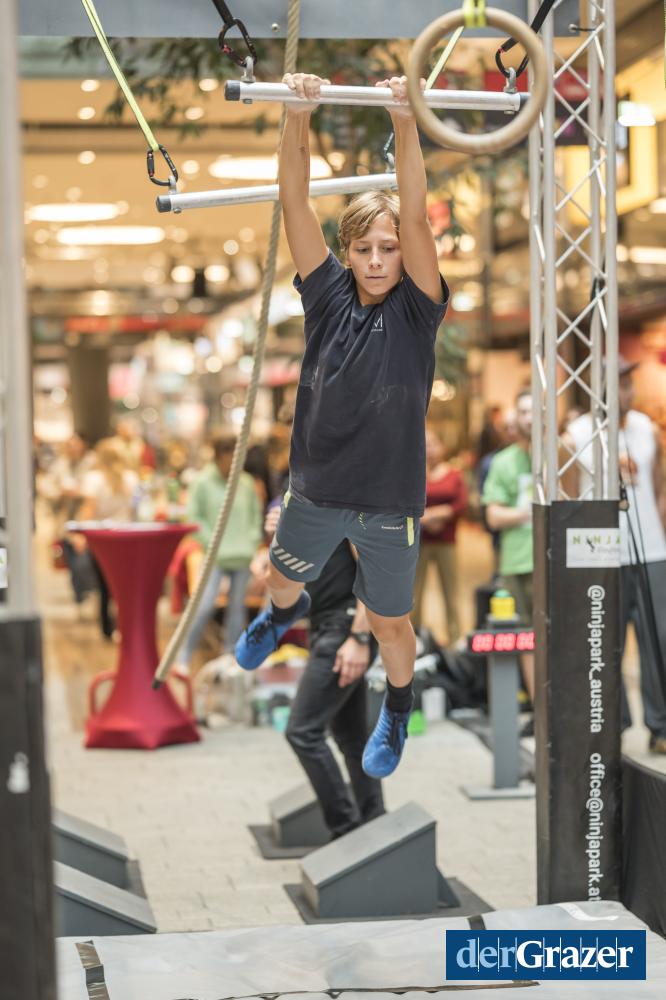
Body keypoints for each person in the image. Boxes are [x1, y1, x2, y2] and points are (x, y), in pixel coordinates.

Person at [234, 71, 449, 780]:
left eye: (388, 248)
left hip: (388, 501)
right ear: (346, 251)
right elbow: (293, 199)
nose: (378, 260)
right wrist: (298, 115)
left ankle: (397, 710)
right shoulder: (326, 295)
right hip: (318, 488)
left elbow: (416, 218)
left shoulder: (417, 310)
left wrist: (405, 119)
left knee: (389, 622)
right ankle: (277, 619)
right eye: (364, 250)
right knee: (281, 581)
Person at [258, 503, 385, 839]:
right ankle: (374, 824)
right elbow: (287, 581)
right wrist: (278, 538)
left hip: (345, 628)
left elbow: (374, 568)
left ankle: (346, 830)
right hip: (325, 625)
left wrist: (359, 637)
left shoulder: (348, 499)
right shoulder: (305, 496)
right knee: (351, 737)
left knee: (303, 732)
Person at [564, 357, 666, 754]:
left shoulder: (647, 428)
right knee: (604, 642)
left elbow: (659, 487)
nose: (626, 391)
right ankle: (612, 725)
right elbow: (570, 498)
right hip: (600, 553)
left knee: (658, 638)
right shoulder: (576, 435)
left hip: (652, 552)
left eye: (628, 383)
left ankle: (660, 727)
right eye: (618, 384)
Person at [174, 433, 262, 672]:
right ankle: (183, 655)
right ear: (218, 456)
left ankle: (229, 657)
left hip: (241, 554)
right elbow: (194, 517)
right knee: (203, 605)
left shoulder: (245, 482)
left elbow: (255, 515)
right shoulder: (202, 482)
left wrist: (252, 541)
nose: (232, 461)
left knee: (237, 609)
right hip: (215, 556)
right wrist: (210, 543)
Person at [482, 389, 535, 703]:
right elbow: (493, 516)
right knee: (527, 636)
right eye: (524, 411)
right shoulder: (503, 462)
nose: (530, 418)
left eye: (536, 410)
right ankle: (540, 708)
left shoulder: (564, 454)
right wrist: (530, 513)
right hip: (517, 561)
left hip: (558, 559)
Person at [78, 438, 139, 638]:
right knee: (125, 585)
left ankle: (107, 629)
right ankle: (125, 625)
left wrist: (80, 536)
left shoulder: (93, 479)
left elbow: (89, 509)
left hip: (101, 538)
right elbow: (134, 510)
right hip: (126, 537)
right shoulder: (131, 478)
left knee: (104, 585)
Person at [412, 425, 467, 645]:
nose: (430, 449)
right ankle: (414, 638)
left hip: (446, 541)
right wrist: (425, 519)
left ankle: (455, 638)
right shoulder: (414, 474)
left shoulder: (454, 474)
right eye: (425, 445)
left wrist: (437, 515)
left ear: (442, 447)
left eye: (433, 444)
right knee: (415, 592)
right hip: (420, 542)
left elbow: (461, 504)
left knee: (451, 591)